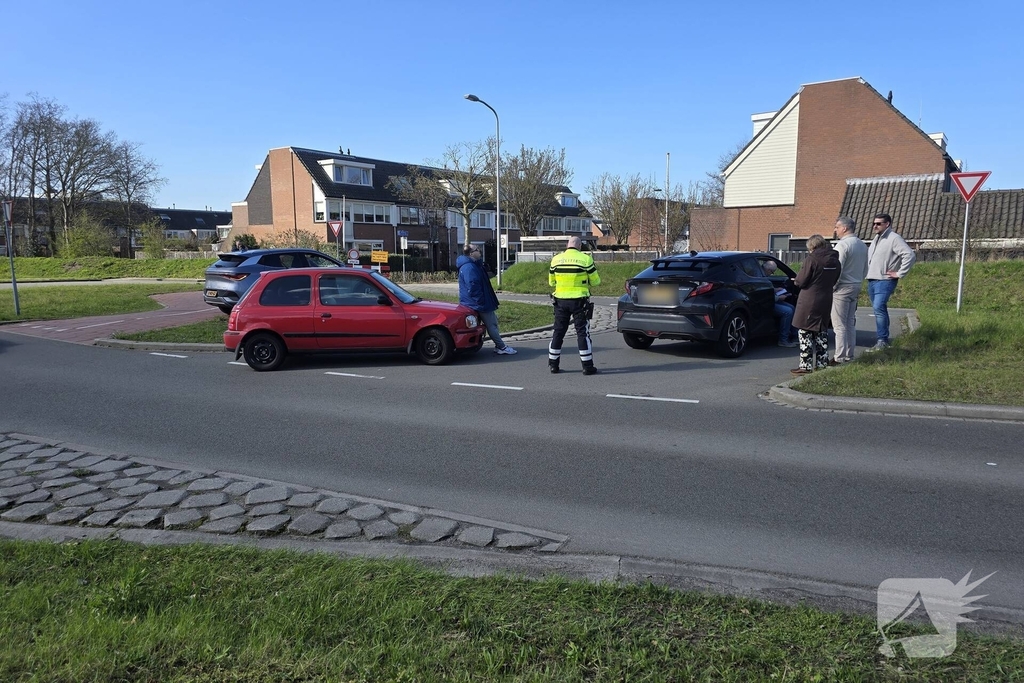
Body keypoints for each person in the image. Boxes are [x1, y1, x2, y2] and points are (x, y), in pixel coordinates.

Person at [548, 236, 601, 374]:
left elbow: (551, 282)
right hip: (579, 301)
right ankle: (587, 366)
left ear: (567, 245)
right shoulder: (585, 259)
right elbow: (596, 282)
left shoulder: (556, 259)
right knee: (582, 333)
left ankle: (553, 365)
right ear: (579, 246)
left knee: (558, 332)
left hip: (560, 301)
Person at [790, 234, 842, 375]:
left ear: (812, 247)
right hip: (826, 298)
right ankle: (822, 362)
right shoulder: (835, 261)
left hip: (810, 299)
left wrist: (796, 280)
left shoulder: (812, 260)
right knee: (821, 331)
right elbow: (834, 279)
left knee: (805, 331)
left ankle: (805, 365)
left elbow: (801, 281)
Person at [865, 213, 916, 350]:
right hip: (872, 279)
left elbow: (909, 255)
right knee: (879, 309)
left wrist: (899, 273)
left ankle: (882, 340)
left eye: (878, 223)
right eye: (874, 223)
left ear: (887, 224)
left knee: (878, 307)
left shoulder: (894, 238)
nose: (875, 226)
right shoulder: (876, 238)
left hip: (885, 280)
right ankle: (883, 340)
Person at [457, 244, 516, 355]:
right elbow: (473, 286)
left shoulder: (472, 265)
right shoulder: (470, 267)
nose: (480, 251)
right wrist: (480, 301)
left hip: (474, 301)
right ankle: (501, 347)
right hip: (478, 303)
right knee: (492, 324)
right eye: (477, 250)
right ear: (471, 253)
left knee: (487, 324)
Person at [831, 216, 869, 364]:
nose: (835, 230)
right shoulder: (862, 245)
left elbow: (837, 269)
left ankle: (839, 357)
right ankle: (849, 354)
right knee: (849, 322)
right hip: (856, 285)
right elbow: (866, 267)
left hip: (842, 287)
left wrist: (833, 286)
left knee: (839, 324)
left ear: (844, 228)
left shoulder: (842, 245)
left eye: (837, 227)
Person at [762, 260, 797, 347]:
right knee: (788, 311)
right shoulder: (760, 277)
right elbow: (762, 295)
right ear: (768, 270)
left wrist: (775, 290)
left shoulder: (761, 275)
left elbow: (765, 290)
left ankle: (794, 335)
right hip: (765, 303)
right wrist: (778, 297)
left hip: (770, 300)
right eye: (772, 272)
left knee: (792, 307)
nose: (771, 274)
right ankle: (783, 340)